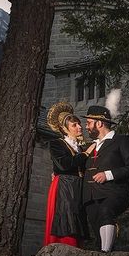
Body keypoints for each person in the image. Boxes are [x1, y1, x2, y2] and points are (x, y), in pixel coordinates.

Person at [83, 105, 129, 252]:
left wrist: (108, 174)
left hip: (115, 193)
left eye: (89, 122)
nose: (86, 126)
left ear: (99, 123)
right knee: (98, 233)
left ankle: (105, 255)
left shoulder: (122, 140)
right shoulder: (89, 147)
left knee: (106, 211)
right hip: (90, 197)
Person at [44, 102, 96, 247]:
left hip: (78, 186)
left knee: (78, 217)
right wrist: (86, 154)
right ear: (64, 129)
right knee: (66, 216)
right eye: (74, 125)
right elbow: (64, 165)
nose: (80, 127)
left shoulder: (81, 147)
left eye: (79, 124)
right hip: (64, 187)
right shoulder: (56, 144)